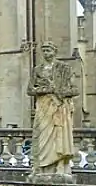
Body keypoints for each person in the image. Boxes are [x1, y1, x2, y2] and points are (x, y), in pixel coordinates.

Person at [27, 41, 76, 177]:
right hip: (43, 107)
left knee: (59, 136)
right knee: (41, 135)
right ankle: (40, 168)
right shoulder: (37, 69)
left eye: (48, 50)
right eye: (44, 51)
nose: (46, 53)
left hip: (58, 107)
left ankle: (59, 166)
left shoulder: (64, 68)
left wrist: (59, 91)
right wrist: (45, 89)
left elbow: (75, 89)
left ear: (55, 51)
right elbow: (30, 90)